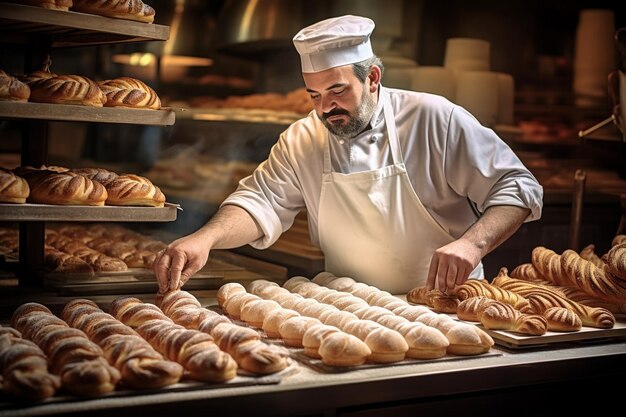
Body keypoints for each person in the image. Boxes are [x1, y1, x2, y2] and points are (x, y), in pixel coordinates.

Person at [153, 15, 543, 295]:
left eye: (338, 91)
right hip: (352, 307)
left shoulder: (434, 118)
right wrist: (204, 239)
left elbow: (518, 186)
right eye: (315, 95)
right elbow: (260, 202)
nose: (326, 108)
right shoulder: (302, 137)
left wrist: (472, 244)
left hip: (446, 304)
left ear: (373, 78)